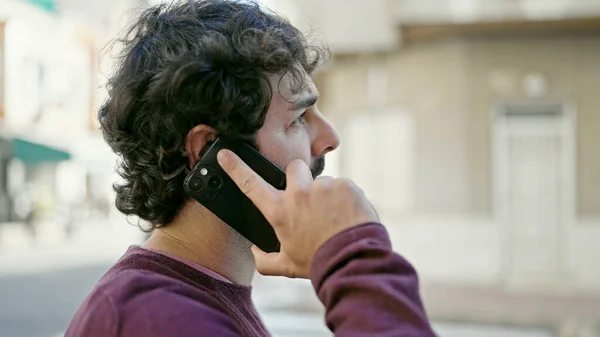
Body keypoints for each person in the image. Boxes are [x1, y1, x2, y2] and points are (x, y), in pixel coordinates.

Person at [66, 1, 437, 336]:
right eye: (297, 120)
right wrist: (352, 255)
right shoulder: (160, 318)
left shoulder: (192, 295)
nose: (330, 137)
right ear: (208, 150)